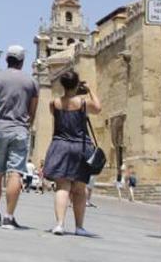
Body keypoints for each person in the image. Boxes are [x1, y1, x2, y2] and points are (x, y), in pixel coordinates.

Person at [0, 45, 39, 229]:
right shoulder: (31, 82)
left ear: (7, 59)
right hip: (20, 131)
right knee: (16, 172)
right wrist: (25, 126)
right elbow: (32, 111)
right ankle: (9, 216)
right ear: (22, 61)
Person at [42, 70, 102, 237]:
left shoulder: (53, 103)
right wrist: (89, 89)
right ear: (77, 84)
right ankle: (79, 227)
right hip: (80, 148)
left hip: (60, 145)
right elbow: (98, 108)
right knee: (80, 189)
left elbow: (59, 116)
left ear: (62, 85)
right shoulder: (83, 103)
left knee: (62, 186)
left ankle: (60, 224)